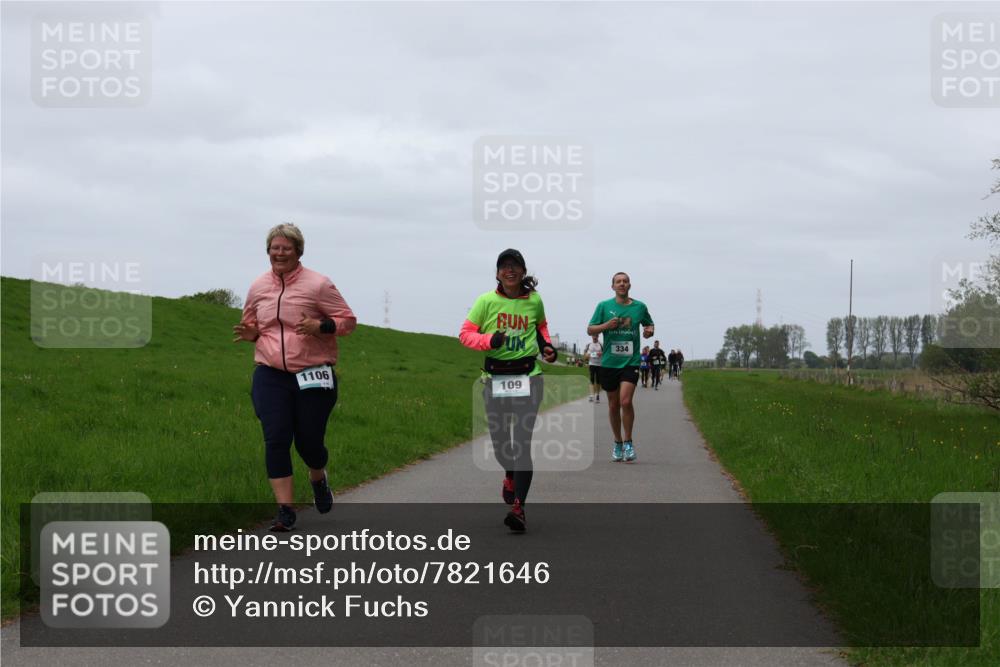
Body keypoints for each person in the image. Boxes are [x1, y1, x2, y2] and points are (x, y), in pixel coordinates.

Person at [234, 223, 357, 531]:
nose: (280, 253)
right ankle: (285, 510)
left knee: (309, 443)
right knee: (276, 439)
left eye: (286, 248)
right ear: (268, 252)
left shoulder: (318, 284)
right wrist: (251, 335)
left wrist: (321, 326)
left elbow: (348, 321)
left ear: (298, 251)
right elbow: (250, 324)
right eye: (274, 248)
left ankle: (318, 477)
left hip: (313, 374)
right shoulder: (258, 286)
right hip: (270, 374)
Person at [459, 249, 557, 532]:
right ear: (498, 272)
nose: (510, 270)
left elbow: (541, 329)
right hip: (496, 378)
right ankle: (510, 475)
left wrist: (547, 349)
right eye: (504, 266)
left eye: (515, 266)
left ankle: (519, 508)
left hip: (529, 376)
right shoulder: (485, 301)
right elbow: (465, 334)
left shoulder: (534, 301)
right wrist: (491, 339)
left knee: (522, 443)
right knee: (502, 443)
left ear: (523, 271)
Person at [587, 272, 654, 463]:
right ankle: (617, 442)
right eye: (618, 282)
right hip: (609, 362)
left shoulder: (639, 307)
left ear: (630, 285)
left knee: (625, 402)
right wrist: (606, 325)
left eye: (625, 281)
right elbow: (590, 329)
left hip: (630, 362)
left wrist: (649, 331)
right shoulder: (604, 306)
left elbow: (649, 324)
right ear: (613, 286)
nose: (622, 284)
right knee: (613, 405)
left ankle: (629, 442)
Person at [583, 334, 603, 402]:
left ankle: (597, 395)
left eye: (596, 336)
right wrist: (589, 355)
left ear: (598, 336)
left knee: (598, 381)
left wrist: (601, 354)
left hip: (599, 365)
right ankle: (591, 395)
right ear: (592, 336)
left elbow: (605, 353)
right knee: (591, 379)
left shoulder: (601, 344)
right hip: (592, 364)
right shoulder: (589, 345)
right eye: (593, 336)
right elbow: (585, 356)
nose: (594, 337)